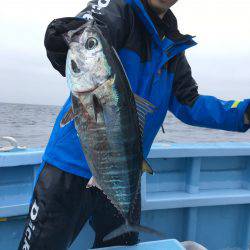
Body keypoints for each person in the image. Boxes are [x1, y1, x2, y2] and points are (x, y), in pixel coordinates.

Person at [18, 0, 250, 249]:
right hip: (70, 167)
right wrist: (68, 36)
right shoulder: (117, 10)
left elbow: (190, 103)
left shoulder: (171, 48)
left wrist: (244, 114)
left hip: (125, 172)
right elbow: (89, 30)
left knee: (122, 245)